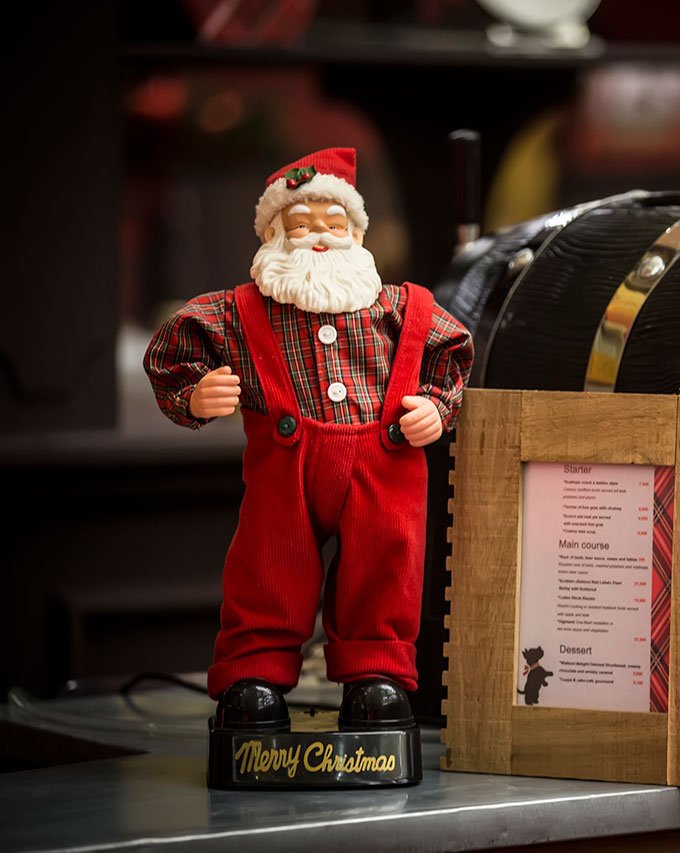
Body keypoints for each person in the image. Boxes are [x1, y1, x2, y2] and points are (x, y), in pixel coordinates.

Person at [145, 147, 472, 731]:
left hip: (384, 466)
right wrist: (194, 395)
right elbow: (173, 348)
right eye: (301, 225)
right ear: (274, 234)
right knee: (269, 568)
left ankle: (376, 675)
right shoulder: (239, 312)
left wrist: (435, 406)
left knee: (384, 567)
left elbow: (450, 351)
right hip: (284, 470)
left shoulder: (398, 308)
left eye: (334, 224)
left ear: (357, 235)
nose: (319, 236)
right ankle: (254, 675)